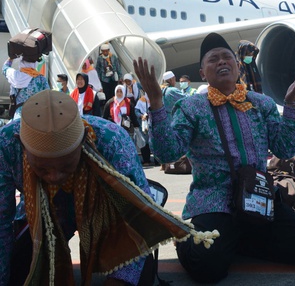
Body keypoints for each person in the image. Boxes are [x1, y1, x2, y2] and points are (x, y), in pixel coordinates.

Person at [134, 32, 295, 283]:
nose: (222, 62)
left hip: (259, 200)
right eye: (213, 59)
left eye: (227, 58)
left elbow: (286, 149)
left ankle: (237, 241)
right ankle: (189, 238)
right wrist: (157, 103)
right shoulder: (191, 107)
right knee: (207, 267)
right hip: (214, 201)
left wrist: (290, 105)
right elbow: (168, 153)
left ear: (237, 66)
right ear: (202, 73)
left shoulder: (262, 104)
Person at [0, 90, 200, 285]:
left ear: (84, 140)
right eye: (42, 169)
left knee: (139, 276)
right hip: (45, 214)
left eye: (67, 166)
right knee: (20, 273)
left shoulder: (112, 141)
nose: (54, 177)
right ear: (22, 146)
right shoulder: (6, 145)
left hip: (108, 213)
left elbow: (136, 218)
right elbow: (2, 223)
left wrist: (121, 280)